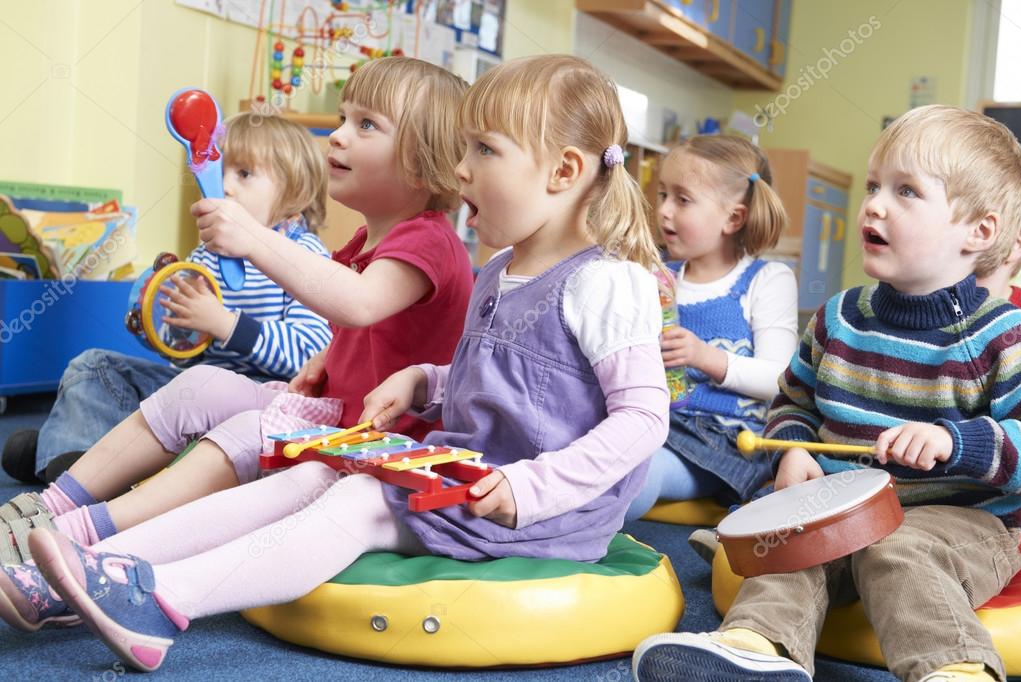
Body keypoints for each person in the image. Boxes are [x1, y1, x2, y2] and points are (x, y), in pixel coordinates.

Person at [0, 54, 669, 674]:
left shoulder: (608, 282)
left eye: (485, 150)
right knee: (318, 473)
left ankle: (161, 601)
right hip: (461, 469)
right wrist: (423, 381)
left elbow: (642, 419)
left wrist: (532, 491)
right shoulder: (500, 270)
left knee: (355, 499)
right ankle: (94, 570)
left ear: (564, 171)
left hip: (535, 509)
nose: (461, 169)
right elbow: (493, 377)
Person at [0, 57, 474, 565]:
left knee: (248, 431)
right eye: (341, 119)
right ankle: (48, 507)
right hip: (337, 418)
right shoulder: (363, 239)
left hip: (383, 446)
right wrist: (328, 359)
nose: (338, 136)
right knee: (201, 383)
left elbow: (358, 303)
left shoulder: (430, 241)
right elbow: (367, 328)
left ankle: (86, 537)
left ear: (425, 160)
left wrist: (250, 238)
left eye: (366, 125)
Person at [632, 104, 1021, 682]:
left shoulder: (1001, 335)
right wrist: (793, 448)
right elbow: (794, 400)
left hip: (963, 522)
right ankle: (755, 650)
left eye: (907, 191)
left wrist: (951, 440)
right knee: (792, 545)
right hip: (844, 510)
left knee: (900, 550)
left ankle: (954, 670)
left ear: (978, 232)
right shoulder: (838, 318)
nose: (874, 203)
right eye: (873, 186)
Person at [1, 112, 333, 485]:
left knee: (192, 410)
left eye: (244, 174)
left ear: (295, 191)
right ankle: (70, 457)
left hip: (257, 402)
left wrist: (226, 325)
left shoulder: (305, 255)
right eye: (219, 171)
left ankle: (72, 459)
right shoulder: (209, 254)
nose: (224, 185)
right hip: (193, 389)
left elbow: (310, 357)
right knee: (93, 365)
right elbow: (187, 351)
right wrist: (168, 329)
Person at [624, 135, 796, 524]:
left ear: (733, 218)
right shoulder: (658, 277)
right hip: (653, 421)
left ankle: (570, 539)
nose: (664, 210)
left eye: (682, 200)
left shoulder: (766, 279)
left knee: (633, 469)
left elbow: (781, 380)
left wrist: (707, 358)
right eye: (663, 194)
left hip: (724, 440)